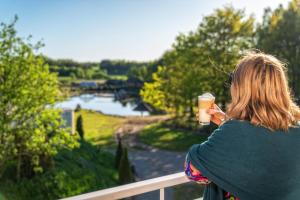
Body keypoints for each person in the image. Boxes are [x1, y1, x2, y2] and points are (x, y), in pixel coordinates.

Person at [184, 52, 300, 200]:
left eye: (233, 79)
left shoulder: (232, 133)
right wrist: (227, 122)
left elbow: (193, 172)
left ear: (241, 89)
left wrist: (227, 127)